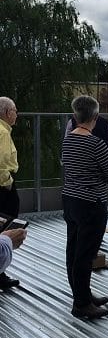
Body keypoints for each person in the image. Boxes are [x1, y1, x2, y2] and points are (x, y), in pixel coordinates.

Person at [61, 95, 108, 319]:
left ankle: (81, 294)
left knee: (73, 250)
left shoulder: (68, 141)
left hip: (70, 201)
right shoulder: (96, 144)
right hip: (92, 203)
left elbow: (67, 165)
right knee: (86, 254)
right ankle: (82, 304)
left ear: (76, 116)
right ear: (95, 116)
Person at [0, 96, 21, 289]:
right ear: (7, 113)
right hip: (3, 186)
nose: (17, 114)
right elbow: (2, 161)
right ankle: (1, 271)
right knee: (7, 222)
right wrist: (6, 182)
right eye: (15, 110)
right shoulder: (3, 133)